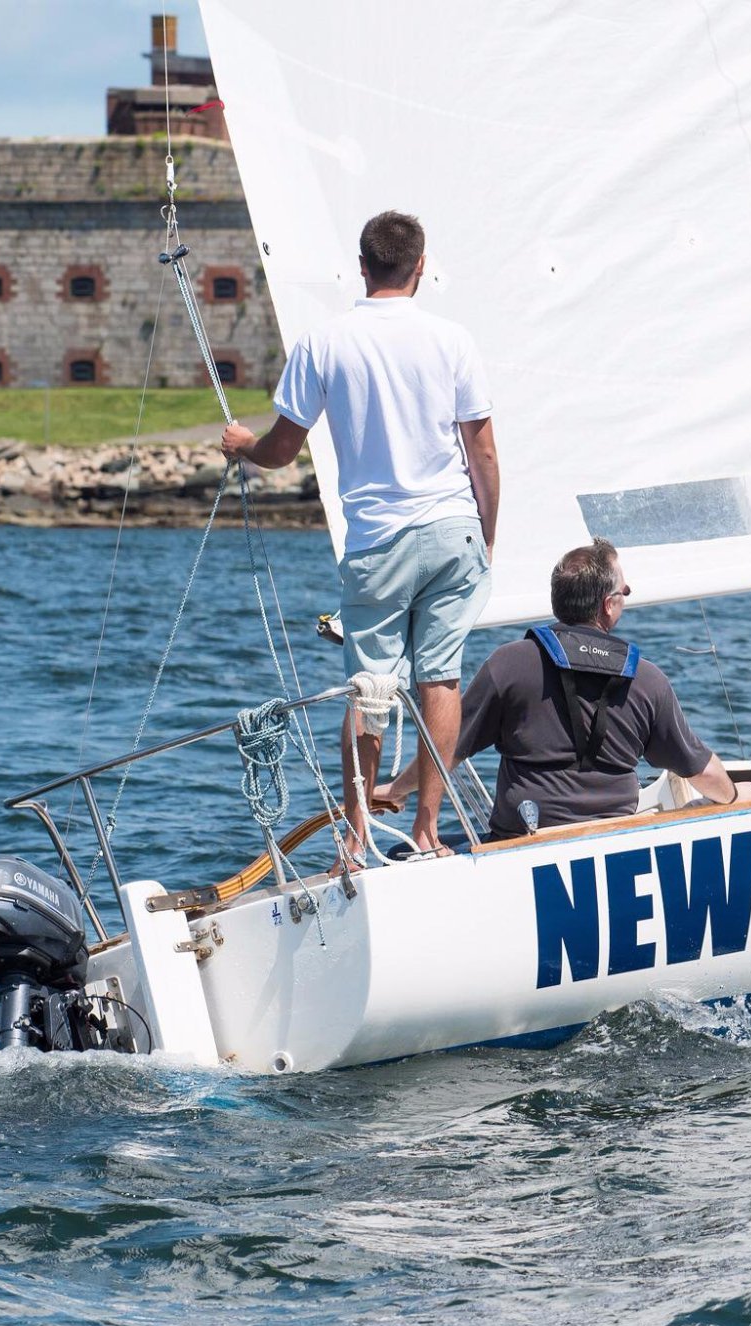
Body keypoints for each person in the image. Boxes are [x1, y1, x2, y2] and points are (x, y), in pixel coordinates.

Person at [222, 210, 499, 861]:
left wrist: (244, 446)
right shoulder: (453, 339)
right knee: (441, 682)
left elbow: (284, 449)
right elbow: (482, 451)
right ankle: (429, 832)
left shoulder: (324, 343)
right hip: (455, 530)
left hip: (378, 540)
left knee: (370, 688)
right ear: (421, 267)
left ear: (362, 264)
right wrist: (485, 533)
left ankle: (356, 835)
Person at [455, 539, 751, 839]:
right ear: (608, 605)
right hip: (616, 841)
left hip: (521, 840)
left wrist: (404, 790)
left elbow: (446, 749)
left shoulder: (508, 664)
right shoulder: (647, 680)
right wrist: (735, 796)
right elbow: (701, 771)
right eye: (624, 592)